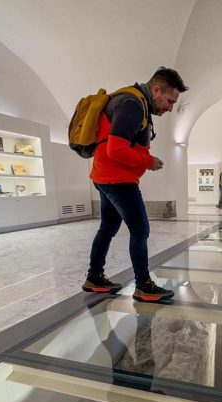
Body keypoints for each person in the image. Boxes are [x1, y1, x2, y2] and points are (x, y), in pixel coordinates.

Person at [83, 67, 188, 303]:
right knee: (140, 229)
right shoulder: (132, 103)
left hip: (106, 176)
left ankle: (94, 277)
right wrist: (148, 161)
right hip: (117, 179)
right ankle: (143, 285)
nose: (170, 107)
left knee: (108, 228)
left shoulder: (136, 102)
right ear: (157, 90)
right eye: (170, 101)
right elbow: (116, 149)